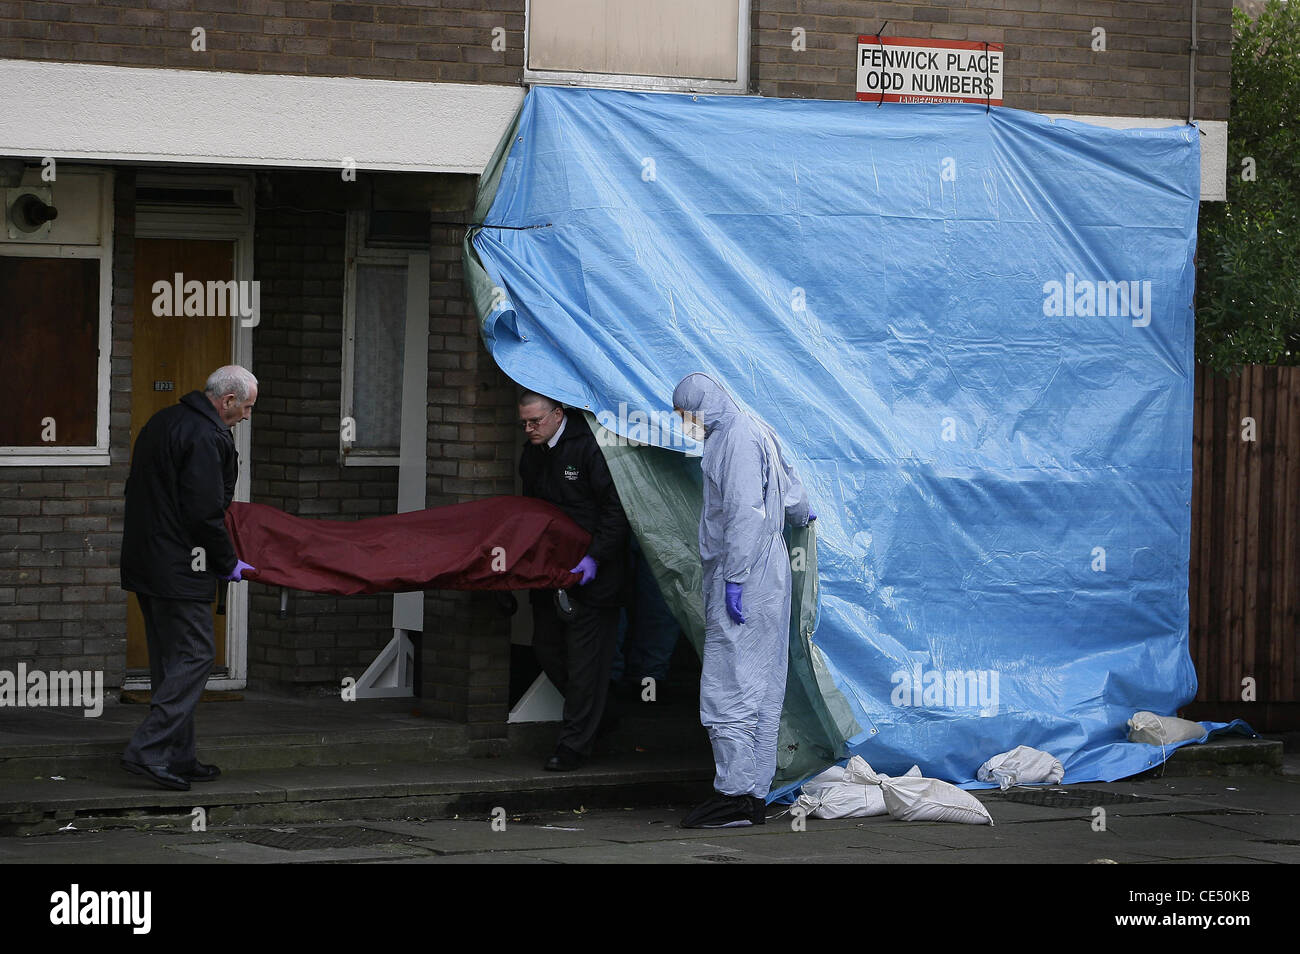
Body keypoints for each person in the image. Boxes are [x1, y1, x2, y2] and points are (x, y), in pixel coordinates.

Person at [672, 372, 813, 828]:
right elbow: (793, 494)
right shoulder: (756, 427)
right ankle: (753, 792)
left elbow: (742, 513)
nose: (686, 424)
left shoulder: (731, 440)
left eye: (688, 415)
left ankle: (733, 795)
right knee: (764, 686)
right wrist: (796, 513)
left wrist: (733, 578)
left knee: (728, 685)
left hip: (746, 568)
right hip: (769, 567)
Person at [119, 366, 258, 791]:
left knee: (170, 662)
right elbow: (203, 512)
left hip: (148, 561)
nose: (247, 416)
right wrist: (226, 560)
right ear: (228, 400)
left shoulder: (164, 421)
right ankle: (148, 751)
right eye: (247, 407)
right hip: (182, 564)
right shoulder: (203, 435)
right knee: (197, 656)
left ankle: (177, 754)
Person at [518, 390, 629, 770]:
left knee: (585, 664)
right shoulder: (533, 453)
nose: (529, 429)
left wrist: (596, 556)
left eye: (535, 421)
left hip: (593, 576)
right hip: (551, 571)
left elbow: (617, 508)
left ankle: (573, 746)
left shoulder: (589, 447)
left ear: (558, 414)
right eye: (525, 423)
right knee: (547, 649)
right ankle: (606, 713)